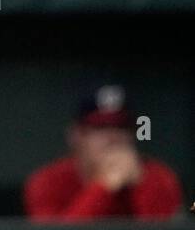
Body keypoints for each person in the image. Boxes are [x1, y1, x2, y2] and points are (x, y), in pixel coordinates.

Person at [24, 86, 183, 221]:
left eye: (121, 127)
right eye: (100, 127)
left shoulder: (159, 178)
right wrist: (104, 186)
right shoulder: (48, 182)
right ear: (76, 135)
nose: (113, 137)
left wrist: (140, 186)